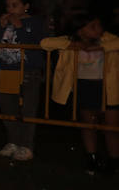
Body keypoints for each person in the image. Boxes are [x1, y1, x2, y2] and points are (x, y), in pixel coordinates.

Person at [41, 13, 119, 174]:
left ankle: (114, 159)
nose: (98, 29)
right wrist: (71, 45)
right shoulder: (70, 41)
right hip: (84, 86)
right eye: (92, 26)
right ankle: (91, 157)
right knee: (87, 123)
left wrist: (99, 47)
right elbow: (45, 43)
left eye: (98, 25)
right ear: (81, 30)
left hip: (107, 87)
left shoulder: (107, 39)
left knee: (110, 126)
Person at [0, 0, 47, 161]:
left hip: (28, 71)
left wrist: (20, 28)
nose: (10, 9)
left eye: (15, 5)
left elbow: (38, 43)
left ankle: (26, 145)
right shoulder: (6, 23)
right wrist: (1, 27)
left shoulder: (35, 23)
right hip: (7, 70)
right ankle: (13, 142)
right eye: (8, 6)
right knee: (7, 106)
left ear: (26, 5)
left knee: (28, 108)